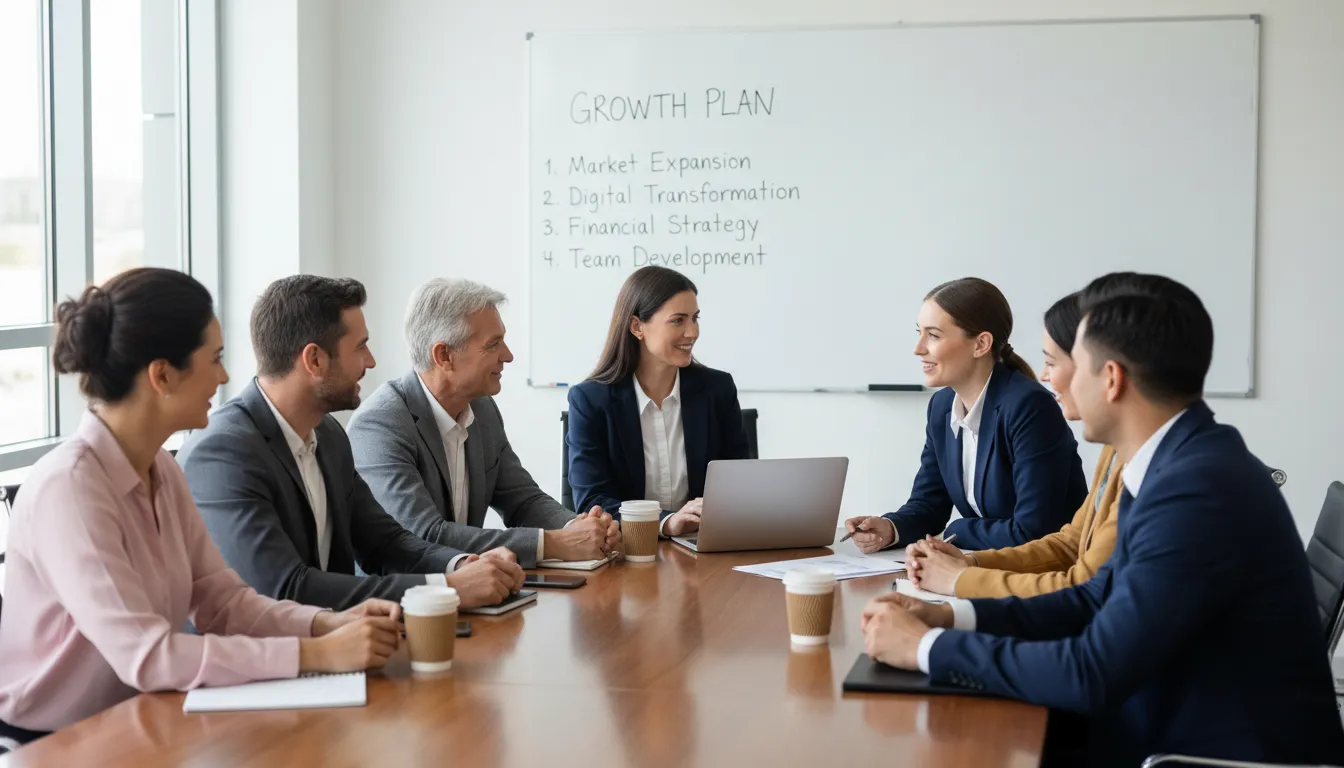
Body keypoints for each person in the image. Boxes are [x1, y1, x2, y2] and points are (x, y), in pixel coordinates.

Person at [860, 273, 1344, 765]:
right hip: (1159, 716)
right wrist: (951, 615)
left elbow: (1093, 673)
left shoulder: (1196, 489)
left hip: (1199, 750)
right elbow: (1095, 598)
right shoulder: (1169, 461)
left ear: (1110, 378)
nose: (1049, 379)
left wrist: (928, 648)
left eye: (1069, 363)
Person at [0, 269, 402, 746]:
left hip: (142, 717)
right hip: (53, 743)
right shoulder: (70, 488)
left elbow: (223, 602)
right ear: (162, 374)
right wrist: (317, 654)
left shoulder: (162, 470)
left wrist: (326, 624)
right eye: (214, 358)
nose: (226, 376)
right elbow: (147, 657)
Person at [178, 275, 522, 613]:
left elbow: (385, 543)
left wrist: (463, 565)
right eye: (360, 347)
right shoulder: (224, 451)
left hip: (338, 647)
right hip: (260, 663)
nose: (370, 362)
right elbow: (285, 588)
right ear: (314, 360)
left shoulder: (328, 434)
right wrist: (447, 589)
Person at [348, 278, 620, 569]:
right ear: (444, 356)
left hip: (476, 591)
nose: (508, 356)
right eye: (493, 344)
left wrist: (582, 528)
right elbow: (423, 535)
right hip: (402, 603)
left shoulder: (483, 408)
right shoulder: (379, 425)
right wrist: (553, 543)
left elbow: (523, 501)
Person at [904, 291, 1123, 598]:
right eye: (919, 333)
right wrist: (968, 560)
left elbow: (1080, 581)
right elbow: (1070, 543)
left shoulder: (1029, 405)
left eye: (1051, 362)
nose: (1045, 377)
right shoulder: (1116, 452)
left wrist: (959, 565)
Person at [845, 277, 1087, 552]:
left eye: (933, 335)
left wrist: (957, 529)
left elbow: (1033, 530)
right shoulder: (942, 406)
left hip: (1048, 572)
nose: (918, 348)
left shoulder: (1029, 406)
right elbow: (929, 504)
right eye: (919, 332)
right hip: (989, 566)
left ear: (981, 344)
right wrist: (890, 528)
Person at [566, 266, 749, 537]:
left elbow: (742, 484)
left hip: (705, 550)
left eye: (695, 319)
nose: (692, 332)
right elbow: (593, 501)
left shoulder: (717, 390)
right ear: (637, 327)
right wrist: (667, 522)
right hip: (629, 553)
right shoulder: (591, 400)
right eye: (678, 320)